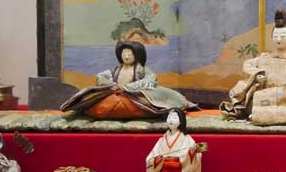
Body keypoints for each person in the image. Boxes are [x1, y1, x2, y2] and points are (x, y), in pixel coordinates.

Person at [60, 40, 198, 119]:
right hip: (115, 93)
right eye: (124, 53)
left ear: (136, 55)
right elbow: (101, 76)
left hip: (133, 96)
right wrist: (111, 85)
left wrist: (131, 87)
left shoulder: (141, 69)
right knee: (96, 104)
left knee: (143, 104)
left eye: (129, 54)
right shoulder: (116, 69)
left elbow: (151, 78)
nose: (126, 56)